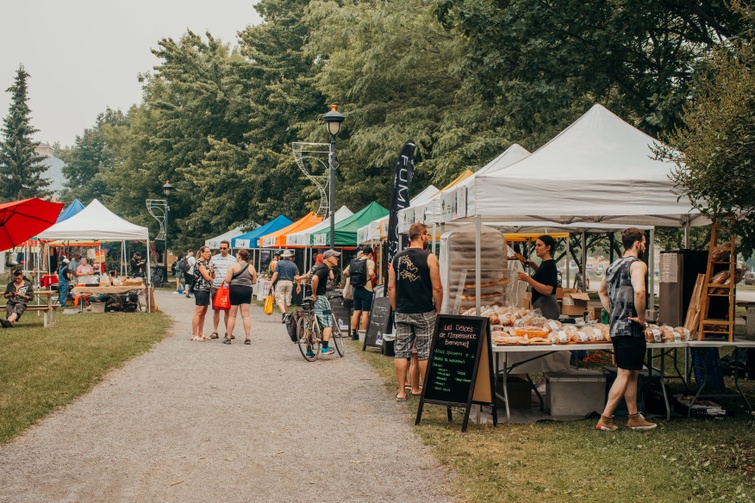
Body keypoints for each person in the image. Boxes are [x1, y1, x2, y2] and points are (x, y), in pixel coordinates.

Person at [597, 228, 656, 431]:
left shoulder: (613, 265)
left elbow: (601, 291)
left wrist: (613, 310)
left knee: (633, 373)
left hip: (617, 326)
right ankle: (605, 418)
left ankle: (633, 416)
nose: (645, 246)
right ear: (637, 243)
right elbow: (639, 291)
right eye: (644, 243)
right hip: (630, 327)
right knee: (624, 373)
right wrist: (641, 317)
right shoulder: (638, 265)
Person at [388, 222, 443, 402]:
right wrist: (438, 309)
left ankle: (402, 391)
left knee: (401, 351)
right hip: (424, 311)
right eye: (426, 234)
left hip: (403, 311)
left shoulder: (396, 258)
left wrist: (396, 308)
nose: (427, 237)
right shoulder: (430, 258)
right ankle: (425, 390)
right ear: (421, 236)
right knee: (425, 351)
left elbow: (391, 287)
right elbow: (437, 288)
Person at [517, 235, 560, 320]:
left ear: (548, 247)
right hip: (543, 305)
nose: (536, 248)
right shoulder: (546, 263)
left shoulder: (549, 265)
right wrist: (533, 264)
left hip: (547, 307)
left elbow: (548, 290)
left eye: (539, 245)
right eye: (536, 245)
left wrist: (528, 279)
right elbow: (543, 275)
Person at [308, 249, 341, 357]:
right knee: (327, 322)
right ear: (329, 258)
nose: (337, 259)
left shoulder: (317, 266)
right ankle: (325, 347)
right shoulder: (324, 268)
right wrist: (315, 294)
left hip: (308, 298)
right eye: (335, 257)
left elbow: (309, 277)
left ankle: (309, 349)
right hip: (319, 297)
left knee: (311, 322)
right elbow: (314, 279)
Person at [223, 249, 258, 345]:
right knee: (246, 315)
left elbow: (228, 279)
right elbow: (254, 281)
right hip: (246, 290)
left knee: (232, 315)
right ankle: (248, 338)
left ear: (239, 256)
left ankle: (229, 337)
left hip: (235, 289)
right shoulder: (251, 268)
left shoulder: (233, 266)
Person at [344, 246, 376, 340]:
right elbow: (370, 273)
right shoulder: (370, 262)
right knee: (365, 312)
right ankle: (364, 334)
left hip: (356, 288)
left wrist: (354, 277)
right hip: (366, 288)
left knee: (356, 311)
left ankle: (354, 333)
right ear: (370, 254)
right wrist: (373, 276)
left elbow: (345, 272)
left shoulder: (355, 261)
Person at [209, 240, 236, 340]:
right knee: (216, 310)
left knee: (227, 310)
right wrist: (211, 273)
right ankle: (215, 331)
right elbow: (211, 273)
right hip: (216, 286)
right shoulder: (214, 259)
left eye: (224, 248)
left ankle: (227, 331)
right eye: (220, 248)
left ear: (228, 248)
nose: (222, 250)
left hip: (228, 287)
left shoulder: (233, 260)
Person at [191, 246, 214, 341]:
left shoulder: (207, 263)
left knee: (203, 312)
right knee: (198, 311)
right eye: (207, 252)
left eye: (209, 252)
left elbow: (212, 276)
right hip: (200, 288)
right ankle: (194, 334)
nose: (208, 254)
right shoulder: (199, 263)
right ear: (201, 253)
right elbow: (207, 277)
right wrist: (210, 276)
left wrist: (212, 272)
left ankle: (201, 333)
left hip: (207, 288)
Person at [269, 249, 299, 321]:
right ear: (290, 257)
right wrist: (298, 285)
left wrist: (271, 283)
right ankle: (285, 317)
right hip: (290, 283)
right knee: (287, 299)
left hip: (281, 282)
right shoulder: (293, 264)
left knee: (279, 299)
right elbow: (297, 276)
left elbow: (275, 273)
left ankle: (284, 314)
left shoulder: (279, 263)